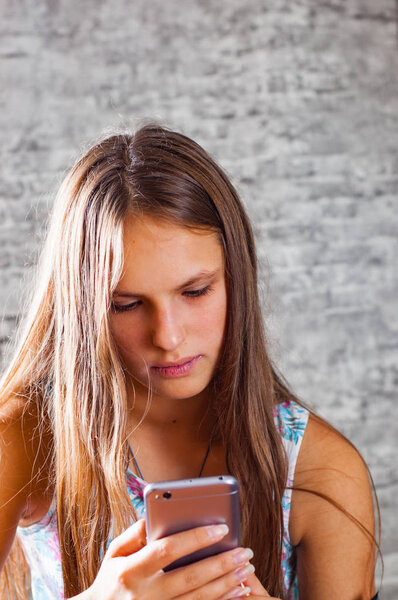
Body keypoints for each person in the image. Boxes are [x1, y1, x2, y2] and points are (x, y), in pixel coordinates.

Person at [0, 123, 379, 600]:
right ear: (83, 308)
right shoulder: (24, 438)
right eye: (127, 304)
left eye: (195, 291)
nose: (169, 336)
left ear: (236, 277)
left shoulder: (318, 470)